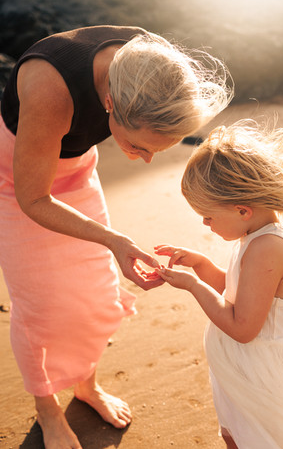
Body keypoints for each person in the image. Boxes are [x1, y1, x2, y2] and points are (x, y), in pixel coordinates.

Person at [0, 25, 232, 448]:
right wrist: (113, 239)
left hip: (75, 165)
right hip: (16, 176)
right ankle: (47, 409)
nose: (144, 161)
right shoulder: (50, 87)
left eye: (155, 151)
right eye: (136, 146)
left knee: (95, 290)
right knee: (38, 304)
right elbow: (35, 198)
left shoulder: (150, 67)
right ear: (109, 102)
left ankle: (86, 386)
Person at [155, 121, 283, 449]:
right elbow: (236, 293)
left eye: (207, 216)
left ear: (242, 209)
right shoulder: (253, 235)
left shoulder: (268, 249)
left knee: (263, 440)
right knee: (234, 434)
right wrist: (202, 265)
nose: (205, 224)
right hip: (241, 368)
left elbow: (243, 326)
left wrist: (193, 285)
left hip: (264, 374)